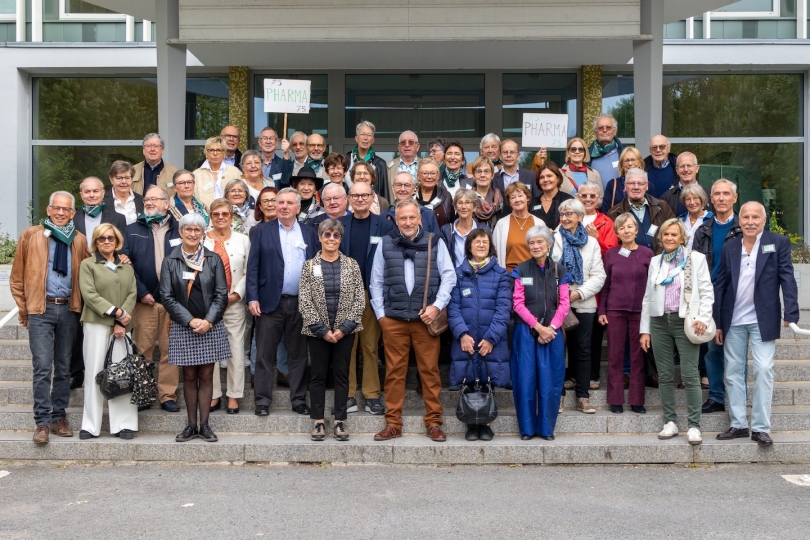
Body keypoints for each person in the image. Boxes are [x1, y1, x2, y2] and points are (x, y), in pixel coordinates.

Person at [369, 199, 456, 442]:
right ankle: (393, 423)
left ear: (420, 218)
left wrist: (436, 307)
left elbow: (449, 277)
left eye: (411, 217)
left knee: (429, 371)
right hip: (394, 319)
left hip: (425, 320)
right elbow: (375, 281)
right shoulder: (386, 243)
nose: (407, 222)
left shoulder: (434, 241)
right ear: (396, 221)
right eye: (402, 219)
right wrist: (381, 316)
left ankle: (434, 422)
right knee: (394, 373)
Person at [714, 202, 799, 447]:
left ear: (763, 220)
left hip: (763, 317)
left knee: (763, 369)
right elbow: (721, 285)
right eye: (746, 217)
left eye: (755, 217)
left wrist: (791, 312)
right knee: (732, 372)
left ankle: (761, 428)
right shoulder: (730, 247)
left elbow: (787, 277)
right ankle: (738, 424)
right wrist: (718, 321)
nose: (750, 222)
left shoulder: (777, 242)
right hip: (734, 319)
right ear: (739, 221)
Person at [11, 191, 90, 444]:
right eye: (56, 208)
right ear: (48, 210)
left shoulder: (79, 240)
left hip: (68, 309)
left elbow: (90, 274)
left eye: (65, 209)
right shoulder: (31, 235)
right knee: (43, 367)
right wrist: (25, 309)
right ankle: (42, 422)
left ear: (72, 214)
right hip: (40, 310)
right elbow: (17, 278)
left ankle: (59, 417)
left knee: (64, 368)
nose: (60, 213)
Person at [247, 187, 320, 417]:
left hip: (301, 302)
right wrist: (253, 297)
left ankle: (298, 399)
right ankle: (262, 400)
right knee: (264, 354)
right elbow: (253, 267)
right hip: (269, 301)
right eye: (280, 203)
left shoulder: (309, 233)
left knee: (298, 354)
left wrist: (316, 300)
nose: (284, 206)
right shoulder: (262, 230)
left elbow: (317, 266)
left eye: (289, 203)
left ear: (298, 208)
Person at [640, 218, 714, 445]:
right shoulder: (655, 261)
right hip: (659, 322)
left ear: (683, 238)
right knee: (665, 375)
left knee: (691, 375)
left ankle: (694, 426)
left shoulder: (695, 259)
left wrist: (703, 317)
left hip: (686, 322)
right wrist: (645, 330)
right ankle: (670, 422)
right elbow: (647, 296)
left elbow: (706, 290)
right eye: (666, 235)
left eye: (674, 235)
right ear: (661, 238)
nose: (669, 238)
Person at [161, 213, 230, 443]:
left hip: (210, 325)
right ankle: (191, 425)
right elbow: (167, 296)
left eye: (197, 230)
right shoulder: (171, 260)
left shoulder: (213, 259)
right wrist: (190, 320)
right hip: (184, 325)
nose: (192, 234)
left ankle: (205, 425)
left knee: (207, 375)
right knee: (189, 376)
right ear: (180, 232)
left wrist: (208, 320)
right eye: (188, 229)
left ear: (203, 234)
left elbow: (222, 294)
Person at [298, 219, 366, 442]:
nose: (331, 239)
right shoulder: (309, 266)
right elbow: (304, 300)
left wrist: (344, 328)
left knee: (341, 375)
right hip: (317, 332)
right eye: (327, 235)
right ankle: (318, 421)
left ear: (340, 239)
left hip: (345, 332)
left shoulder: (352, 265)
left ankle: (340, 420)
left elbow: (359, 300)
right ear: (319, 237)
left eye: (335, 235)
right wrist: (322, 329)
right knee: (317, 375)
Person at [120, 185, 182, 413]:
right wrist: (141, 291)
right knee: (142, 349)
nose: (148, 202)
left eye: (155, 199)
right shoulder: (131, 229)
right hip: (144, 301)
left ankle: (167, 396)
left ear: (167, 204)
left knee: (170, 350)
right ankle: (144, 394)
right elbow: (125, 264)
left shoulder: (179, 229)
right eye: (146, 199)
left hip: (173, 302)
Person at [447, 229, 511, 441]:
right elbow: (453, 308)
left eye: (485, 242)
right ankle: (470, 423)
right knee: (468, 381)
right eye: (477, 242)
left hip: (490, 339)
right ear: (469, 246)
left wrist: (491, 337)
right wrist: (462, 334)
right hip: (466, 338)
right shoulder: (458, 273)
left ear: (490, 246)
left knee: (487, 380)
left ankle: (485, 424)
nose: (481, 245)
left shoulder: (500, 274)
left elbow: (504, 309)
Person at [510, 224, 571, 440]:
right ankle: (527, 429)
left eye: (539, 242)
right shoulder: (521, 269)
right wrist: (538, 327)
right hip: (526, 332)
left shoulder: (559, 270)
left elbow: (564, 303)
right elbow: (517, 304)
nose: (535, 246)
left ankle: (546, 429)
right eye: (532, 243)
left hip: (552, 335)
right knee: (525, 380)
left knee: (550, 381)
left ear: (549, 244)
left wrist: (551, 328)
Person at [339, 182, 395, 415]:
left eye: (364, 195)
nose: (360, 199)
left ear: (373, 197)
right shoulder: (339, 225)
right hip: (345, 294)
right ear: (348, 198)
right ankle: (349, 394)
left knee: (370, 346)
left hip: (372, 294)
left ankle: (372, 395)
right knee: (347, 346)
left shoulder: (384, 225)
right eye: (355, 195)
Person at [77, 224, 137, 440]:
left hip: (122, 326)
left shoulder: (126, 266)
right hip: (96, 323)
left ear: (117, 241)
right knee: (94, 371)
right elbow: (89, 294)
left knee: (122, 374)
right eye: (101, 238)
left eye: (110, 238)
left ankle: (124, 424)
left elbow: (132, 293)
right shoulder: (88, 264)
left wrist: (122, 319)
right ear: (95, 242)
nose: (106, 242)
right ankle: (90, 425)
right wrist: (116, 312)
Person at [70, 176, 128, 389]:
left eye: (95, 191)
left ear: (104, 193)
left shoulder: (118, 217)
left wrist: (123, 258)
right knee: (76, 328)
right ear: (81, 195)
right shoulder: (71, 218)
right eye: (87, 191)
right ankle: (77, 372)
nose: (92, 195)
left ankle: (109, 371)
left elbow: (124, 247)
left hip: (108, 280)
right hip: (79, 277)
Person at [551, 199, 606, 414]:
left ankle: (583, 397)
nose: (564, 218)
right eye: (562, 214)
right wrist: (564, 294)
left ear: (580, 217)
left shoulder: (591, 243)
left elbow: (599, 275)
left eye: (570, 214)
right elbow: (549, 271)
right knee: (558, 351)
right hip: (558, 304)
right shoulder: (553, 239)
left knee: (583, 351)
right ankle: (559, 396)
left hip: (584, 303)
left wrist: (578, 293)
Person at [691, 179, 741, 414]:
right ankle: (716, 396)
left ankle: (738, 397)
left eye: (726, 194)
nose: (721, 198)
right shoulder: (703, 230)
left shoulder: (745, 227)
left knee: (736, 350)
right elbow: (695, 265)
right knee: (713, 349)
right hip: (711, 297)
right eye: (717, 194)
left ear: (735, 198)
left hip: (738, 296)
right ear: (711, 199)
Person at [598, 213, 653, 414]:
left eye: (630, 227)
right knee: (615, 355)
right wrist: (602, 310)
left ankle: (637, 400)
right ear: (617, 233)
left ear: (636, 230)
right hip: (615, 311)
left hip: (640, 311)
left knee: (638, 355)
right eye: (622, 228)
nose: (627, 230)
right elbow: (605, 285)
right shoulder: (611, 255)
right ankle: (616, 399)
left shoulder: (648, 254)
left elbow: (652, 287)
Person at [204, 199, 250, 415]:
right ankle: (213, 395)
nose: (220, 217)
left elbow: (249, 271)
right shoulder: (202, 240)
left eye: (225, 214)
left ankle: (233, 395)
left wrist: (236, 295)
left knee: (235, 349)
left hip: (234, 302)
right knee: (210, 350)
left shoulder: (243, 240)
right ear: (210, 217)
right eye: (216, 214)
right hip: (207, 304)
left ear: (232, 217)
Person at [577, 180, 618, 391]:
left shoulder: (606, 222)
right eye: (584, 195)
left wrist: (595, 240)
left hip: (598, 286)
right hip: (573, 286)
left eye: (592, 196)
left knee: (594, 332)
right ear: (578, 197)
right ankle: (573, 375)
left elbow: (611, 253)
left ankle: (593, 375)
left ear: (598, 199)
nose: (588, 199)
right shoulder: (570, 218)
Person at [606, 168, 674, 254]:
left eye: (641, 183)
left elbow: (674, 233)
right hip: (632, 264)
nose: (636, 187)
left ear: (647, 186)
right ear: (625, 186)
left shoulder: (662, 206)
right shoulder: (614, 213)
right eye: (631, 183)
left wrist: (659, 258)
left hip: (661, 261)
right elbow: (615, 245)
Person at [492, 182, 544, 273]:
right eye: (513, 197)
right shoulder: (501, 224)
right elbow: (495, 252)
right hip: (508, 277)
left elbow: (545, 252)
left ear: (527, 198)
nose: (517, 200)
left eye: (520, 196)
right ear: (509, 202)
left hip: (534, 275)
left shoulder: (539, 223)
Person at [441, 189, 491, 268]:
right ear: (456, 208)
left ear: (474, 207)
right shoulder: (446, 230)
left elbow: (490, 257)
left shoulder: (484, 230)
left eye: (468, 202)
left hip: (477, 277)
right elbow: (442, 259)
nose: (463, 207)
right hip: (454, 278)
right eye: (460, 203)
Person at [193, 136, 243, 210]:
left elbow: (243, 194)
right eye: (211, 150)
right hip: (204, 217)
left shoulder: (235, 172)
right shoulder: (196, 174)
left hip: (231, 216)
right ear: (206, 153)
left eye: (219, 150)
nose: (215, 153)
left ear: (224, 153)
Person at [492, 139, 540, 214]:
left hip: (527, 221)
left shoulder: (531, 176)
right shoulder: (493, 179)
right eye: (505, 152)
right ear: (500, 156)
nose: (508, 155)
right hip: (502, 222)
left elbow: (537, 201)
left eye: (512, 152)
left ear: (518, 156)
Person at [346, 121, 389, 201]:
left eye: (369, 135)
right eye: (362, 134)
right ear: (356, 138)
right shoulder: (346, 160)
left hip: (373, 206)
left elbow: (384, 192)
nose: (365, 138)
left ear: (373, 140)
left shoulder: (380, 163)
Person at [661, 152, 707, 217]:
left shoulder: (708, 195)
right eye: (682, 166)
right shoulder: (666, 197)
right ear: (677, 170)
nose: (685, 169)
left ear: (697, 168)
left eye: (689, 166)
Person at [531, 162, 574, 229]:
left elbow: (574, 226)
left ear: (558, 178)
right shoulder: (532, 203)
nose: (545, 180)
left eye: (549, 176)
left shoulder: (569, 200)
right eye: (542, 177)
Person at [602, 147, 644, 212]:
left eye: (633, 160)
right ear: (621, 164)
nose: (630, 163)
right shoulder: (612, 184)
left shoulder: (647, 185)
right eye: (626, 160)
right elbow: (605, 211)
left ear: (640, 163)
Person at [587, 114, 625, 187]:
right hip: (595, 197)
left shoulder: (624, 152)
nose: (604, 130)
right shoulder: (587, 153)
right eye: (600, 128)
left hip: (619, 198)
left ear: (614, 131)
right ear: (595, 133)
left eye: (608, 127)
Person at [416, 158, 455, 229]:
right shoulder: (411, 196)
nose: (429, 177)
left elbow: (451, 223)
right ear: (418, 176)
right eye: (425, 173)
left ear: (438, 176)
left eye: (433, 173)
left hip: (440, 239)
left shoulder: (446, 196)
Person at [104, 160, 144, 226]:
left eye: (127, 178)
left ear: (132, 179)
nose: (123, 182)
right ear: (111, 179)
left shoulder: (141, 200)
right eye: (119, 178)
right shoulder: (103, 201)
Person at [468, 156, 503, 229]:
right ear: (474, 175)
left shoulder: (501, 198)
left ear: (492, 175)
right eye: (479, 171)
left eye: (486, 171)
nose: (482, 175)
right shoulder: (467, 198)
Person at [386, 130, 420, 196]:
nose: (407, 145)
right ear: (399, 147)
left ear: (417, 147)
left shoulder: (426, 165)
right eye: (403, 143)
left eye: (410, 142)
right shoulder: (386, 166)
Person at [680, 183, 712, 250]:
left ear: (701, 199)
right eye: (688, 199)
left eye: (695, 198)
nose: (692, 202)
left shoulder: (711, 219)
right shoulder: (680, 220)